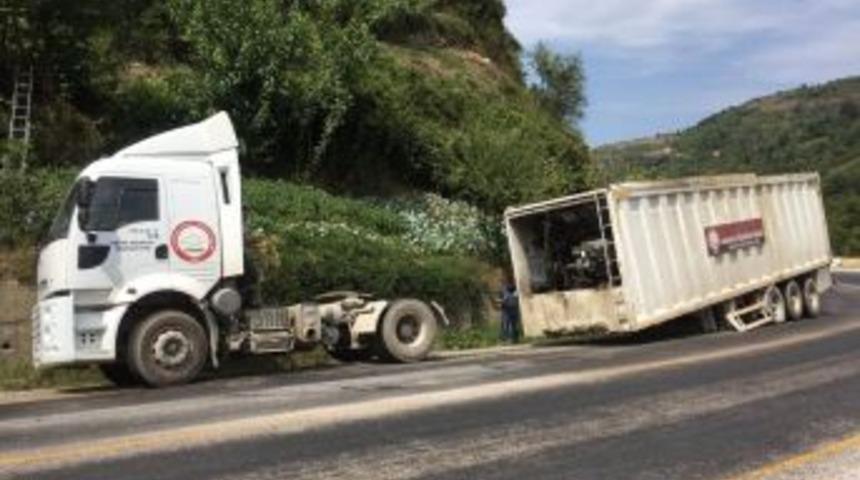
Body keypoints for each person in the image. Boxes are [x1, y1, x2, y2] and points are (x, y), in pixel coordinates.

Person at [499, 275, 521, 344]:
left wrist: (501, 301)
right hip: (510, 309)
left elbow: (505, 300)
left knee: (510, 325)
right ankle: (511, 339)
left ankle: (511, 339)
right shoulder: (510, 290)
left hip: (509, 309)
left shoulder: (509, 290)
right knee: (510, 325)